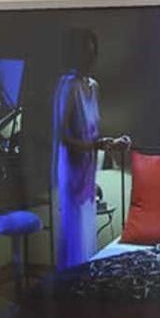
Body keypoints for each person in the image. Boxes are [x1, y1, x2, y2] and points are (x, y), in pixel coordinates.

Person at [51, 28, 105, 269]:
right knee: (76, 232)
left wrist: (108, 143)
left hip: (89, 167)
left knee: (87, 228)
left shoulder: (93, 86)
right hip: (73, 170)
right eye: (85, 53)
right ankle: (74, 279)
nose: (89, 59)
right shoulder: (68, 87)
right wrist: (93, 145)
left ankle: (85, 277)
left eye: (92, 53)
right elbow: (62, 137)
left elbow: (93, 131)